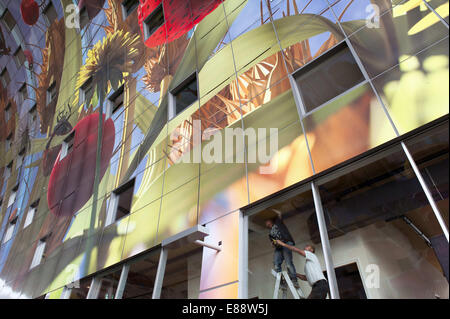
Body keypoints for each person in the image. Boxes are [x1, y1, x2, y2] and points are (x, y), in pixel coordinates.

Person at [265, 209, 300, 288]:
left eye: (267, 221)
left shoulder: (278, 223)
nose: (266, 223)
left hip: (286, 243)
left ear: (270, 221)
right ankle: (282, 282)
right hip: (278, 247)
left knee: (288, 263)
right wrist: (273, 244)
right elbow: (272, 242)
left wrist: (271, 209)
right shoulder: (270, 233)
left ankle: (294, 281)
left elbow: (279, 213)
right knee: (276, 263)